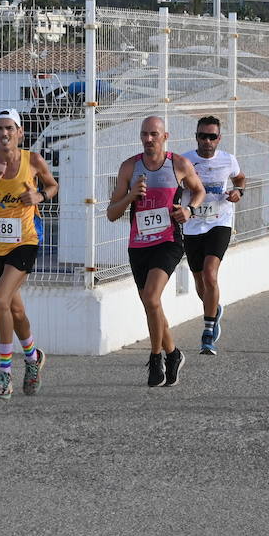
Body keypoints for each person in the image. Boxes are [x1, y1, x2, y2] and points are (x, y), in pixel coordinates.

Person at [0, 109, 59, 400]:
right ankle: (33, 358)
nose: (3, 134)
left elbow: (53, 185)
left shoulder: (33, 160)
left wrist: (40, 196)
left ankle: (5, 373)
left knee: (0, 300)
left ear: (19, 132)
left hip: (25, 241)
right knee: (15, 311)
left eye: (9, 128)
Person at [107, 115, 205, 388]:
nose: (148, 139)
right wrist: (130, 196)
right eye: (144, 134)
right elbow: (111, 214)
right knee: (152, 304)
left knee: (151, 297)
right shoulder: (130, 167)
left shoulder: (179, 164)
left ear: (165, 137)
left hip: (168, 241)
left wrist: (189, 209)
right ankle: (174, 354)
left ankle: (156, 357)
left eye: (153, 134)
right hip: (138, 244)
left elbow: (199, 191)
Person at [181, 115, 246, 356]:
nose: (206, 141)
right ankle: (214, 310)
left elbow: (240, 178)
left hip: (220, 222)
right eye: (202, 136)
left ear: (219, 138)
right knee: (200, 282)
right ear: (196, 136)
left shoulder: (228, 160)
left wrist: (238, 192)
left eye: (211, 137)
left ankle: (208, 333)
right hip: (193, 225)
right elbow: (173, 185)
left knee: (210, 274)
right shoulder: (184, 160)